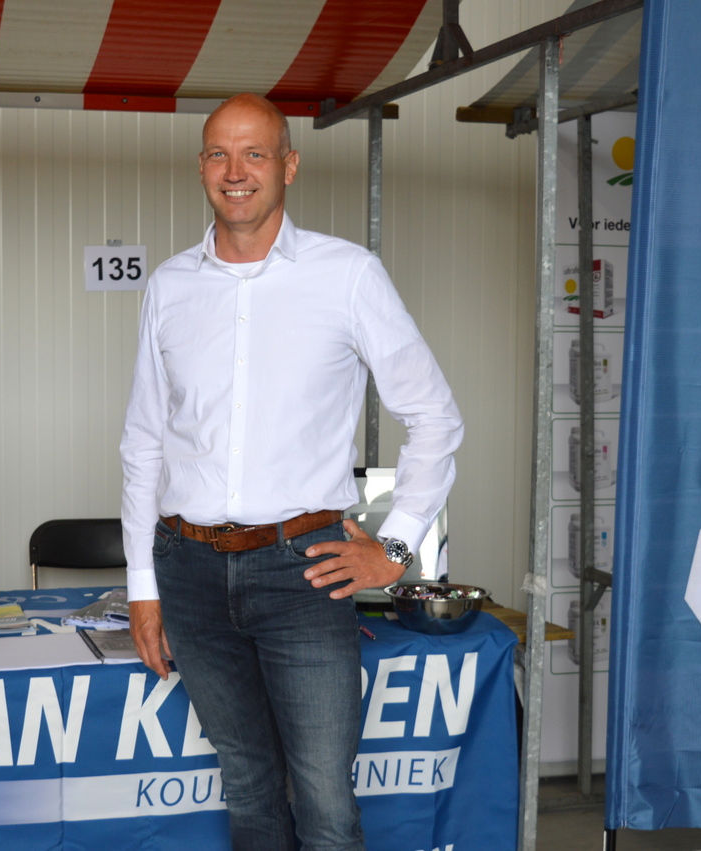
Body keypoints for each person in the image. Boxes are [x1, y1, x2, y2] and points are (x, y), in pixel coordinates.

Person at [121, 94, 463, 851]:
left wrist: (396, 547)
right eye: (218, 154)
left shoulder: (348, 275)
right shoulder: (171, 286)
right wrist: (144, 586)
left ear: (289, 166)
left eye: (255, 153)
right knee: (248, 790)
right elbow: (143, 442)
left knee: (326, 805)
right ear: (201, 167)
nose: (235, 171)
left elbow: (436, 417)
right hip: (189, 572)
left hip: (303, 573)